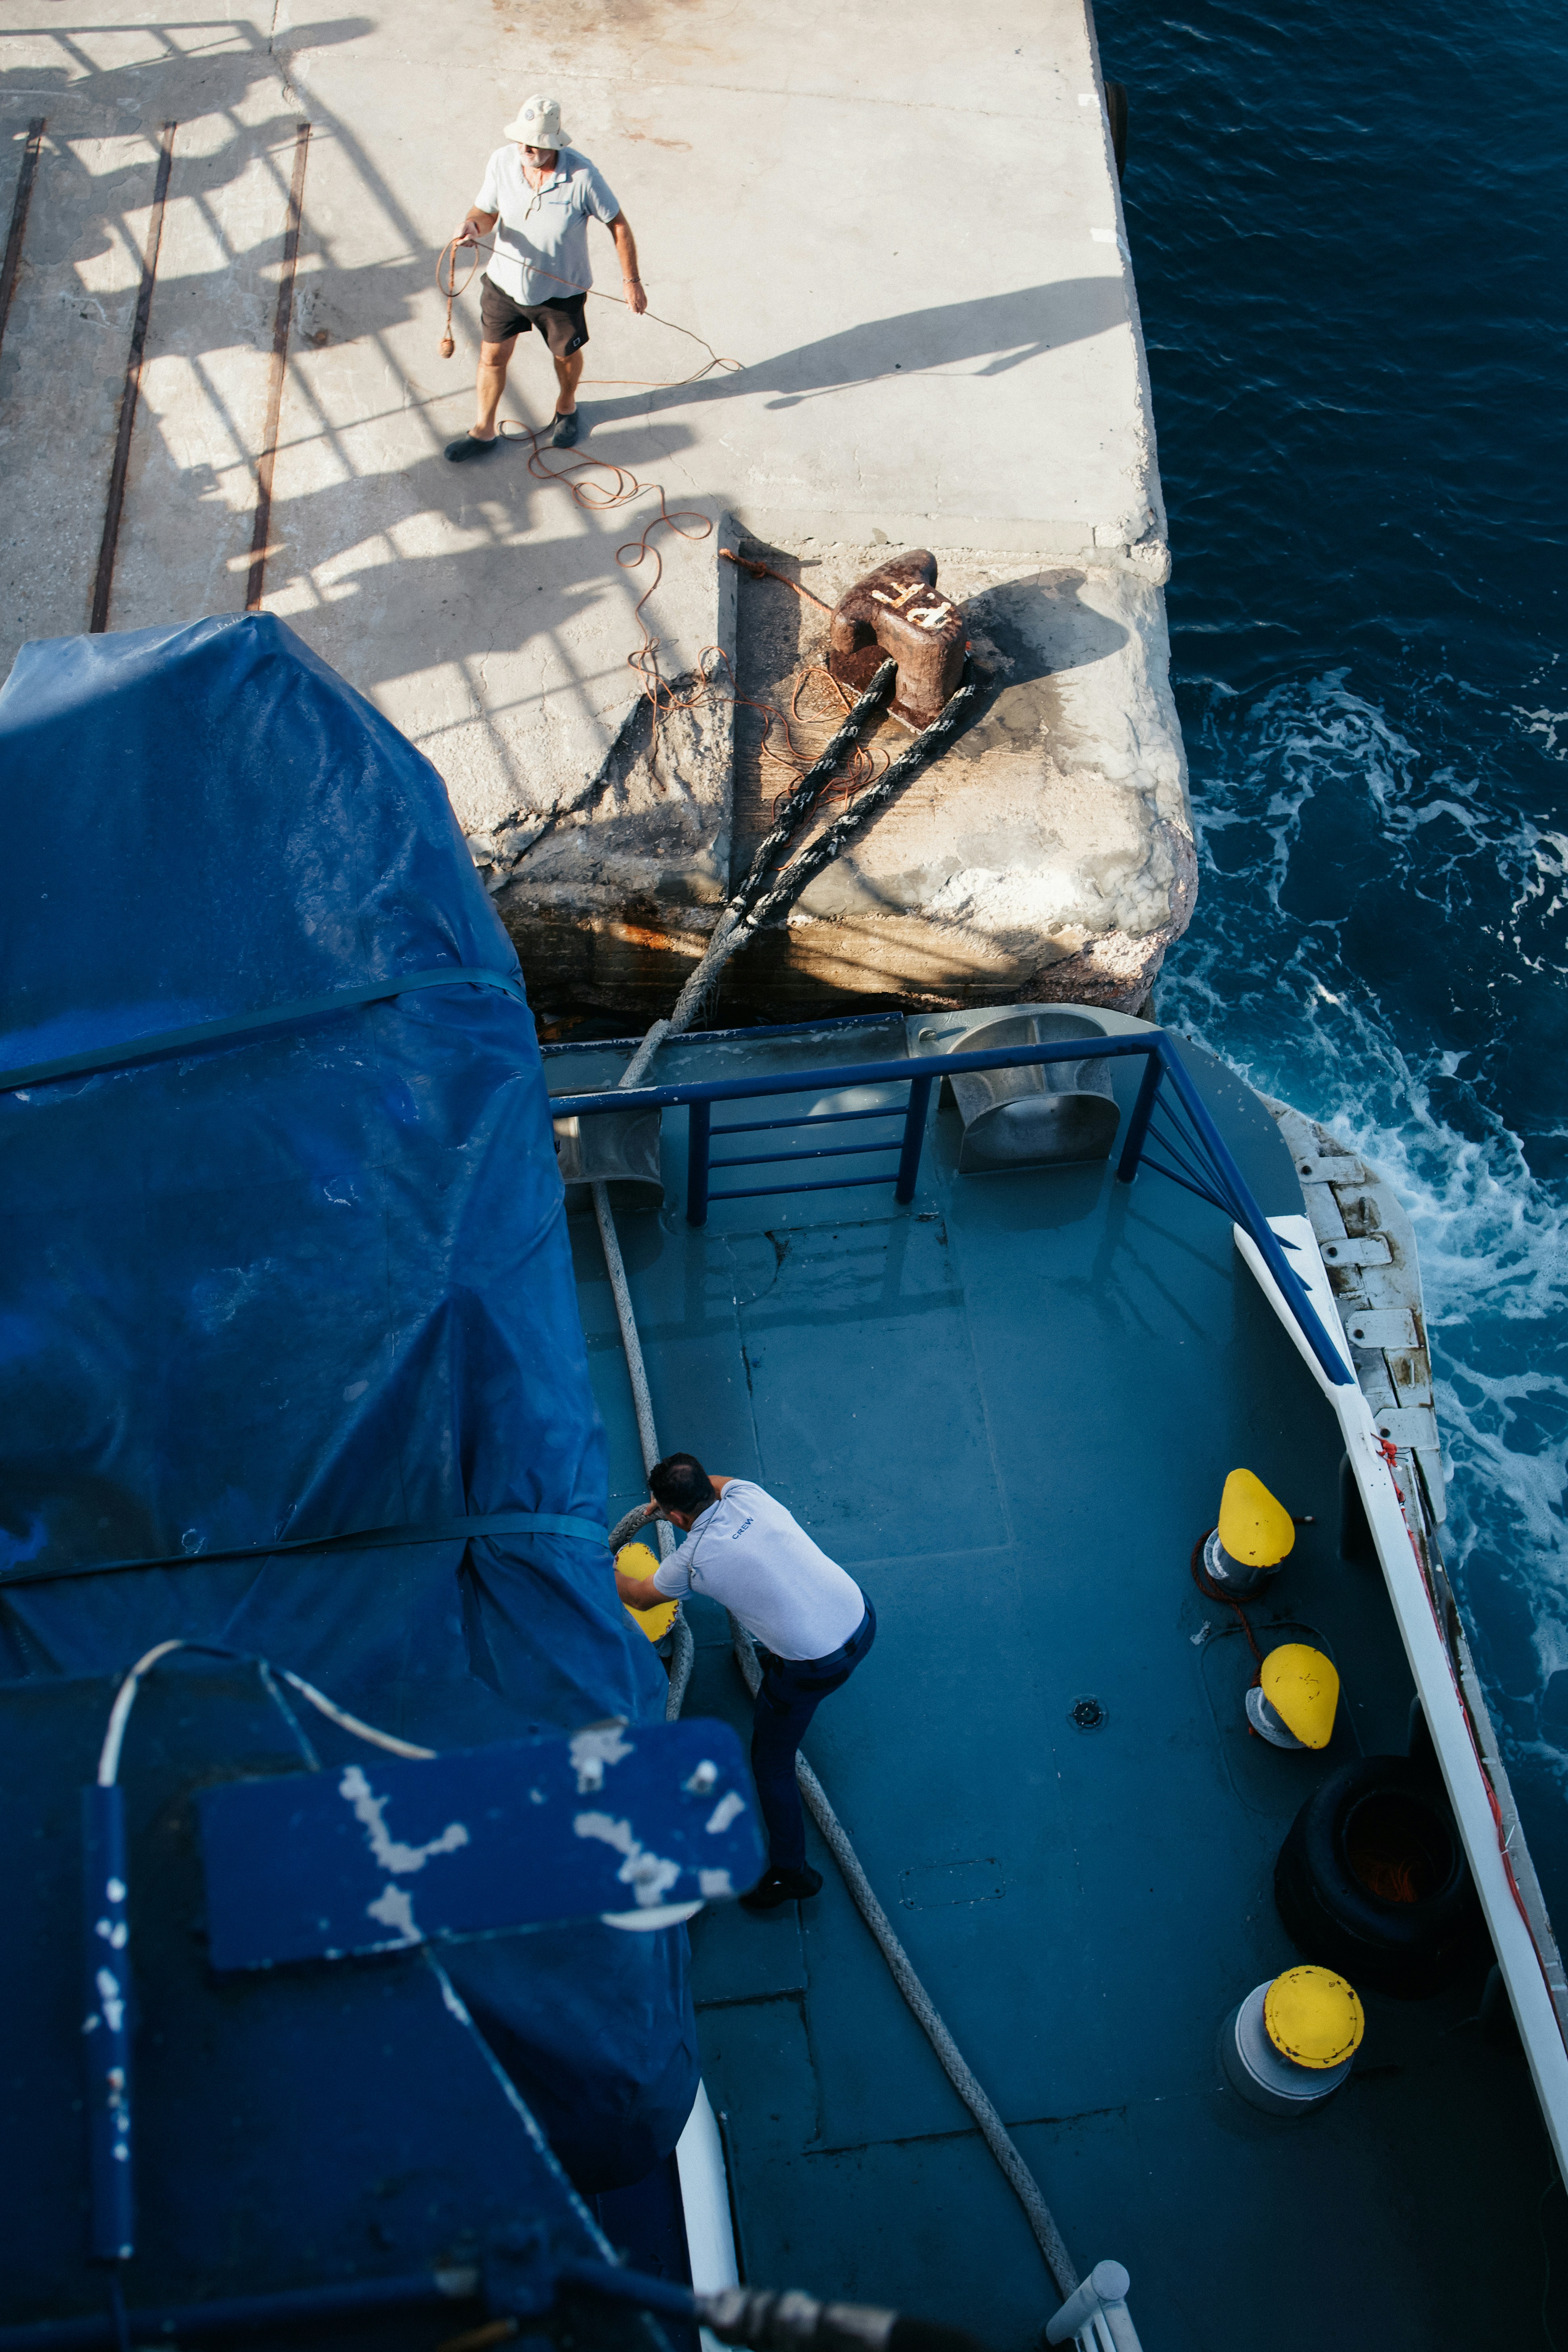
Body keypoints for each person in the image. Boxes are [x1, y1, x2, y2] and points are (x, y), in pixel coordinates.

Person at [616, 1454, 876, 1912]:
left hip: (816, 1666)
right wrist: (673, 1498)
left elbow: (638, 1595)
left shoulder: (692, 1561)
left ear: (675, 1517)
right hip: (862, 1616)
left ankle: (791, 1872)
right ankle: (776, 1652)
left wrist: (595, 1561)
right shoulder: (748, 1494)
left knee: (771, 1765)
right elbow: (714, 1484)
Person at [445, 93, 646, 461]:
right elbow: (485, 210)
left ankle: (567, 407)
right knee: (491, 358)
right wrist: (473, 226)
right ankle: (483, 431)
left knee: (566, 356)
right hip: (504, 286)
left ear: (554, 143)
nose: (526, 148)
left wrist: (631, 281)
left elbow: (618, 224)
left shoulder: (583, 175)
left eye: (535, 143)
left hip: (560, 294)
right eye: (521, 139)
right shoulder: (502, 161)